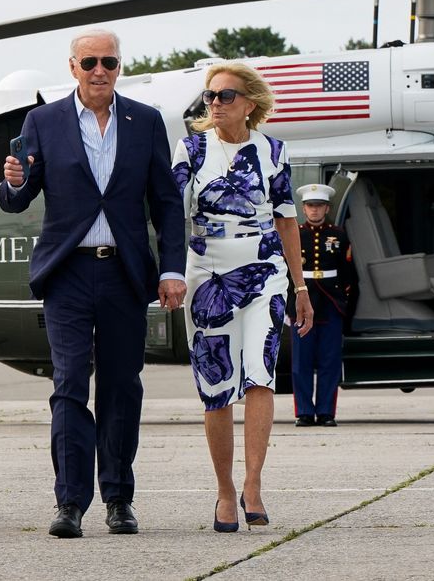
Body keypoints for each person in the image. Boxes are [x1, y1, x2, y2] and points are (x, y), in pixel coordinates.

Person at [0, 28, 187, 539]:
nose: (99, 70)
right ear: (73, 67)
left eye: (108, 61)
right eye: (89, 63)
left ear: (119, 66)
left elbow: (168, 204)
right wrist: (14, 181)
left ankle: (119, 499)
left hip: (125, 273)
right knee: (69, 385)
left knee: (123, 387)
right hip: (68, 273)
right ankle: (70, 503)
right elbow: (17, 199)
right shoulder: (43, 121)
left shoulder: (145, 122)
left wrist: (172, 269)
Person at [171, 62, 313, 533]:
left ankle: (252, 484)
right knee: (216, 387)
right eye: (210, 96)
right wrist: (167, 272)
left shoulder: (273, 150)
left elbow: (287, 218)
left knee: (260, 375)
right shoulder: (191, 148)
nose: (214, 103)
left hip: (265, 271)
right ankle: (224, 491)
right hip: (206, 273)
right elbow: (171, 212)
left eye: (225, 96)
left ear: (250, 103)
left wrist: (300, 286)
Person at [291, 184, 357, 428]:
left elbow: (348, 272)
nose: (315, 210)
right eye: (310, 206)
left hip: (330, 301)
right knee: (301, 360)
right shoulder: (295, 233)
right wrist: (290, 305)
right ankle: (305, 412)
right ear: (304, 208)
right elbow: (286, 272)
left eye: (319, 206)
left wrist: (344, 300)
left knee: (330, 359)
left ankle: (327, 412)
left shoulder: (338, 234)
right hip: (302, 299)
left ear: (327, 208)